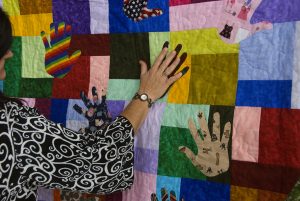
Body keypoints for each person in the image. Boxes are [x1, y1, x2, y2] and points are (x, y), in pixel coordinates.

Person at [0, 7, 188, 201]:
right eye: (3, 47)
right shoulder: (12, 127)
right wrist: (145, 95)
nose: (9, 54)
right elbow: (99, 165)